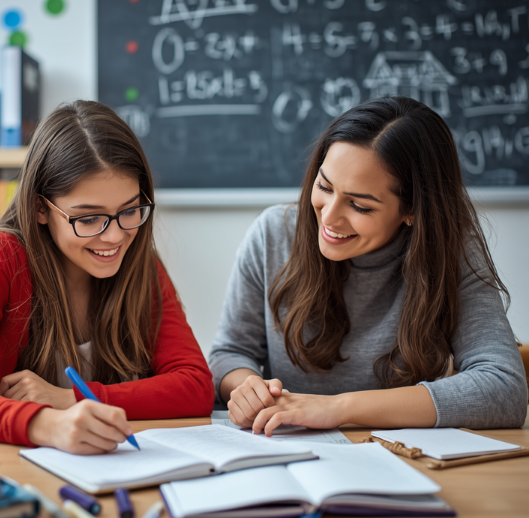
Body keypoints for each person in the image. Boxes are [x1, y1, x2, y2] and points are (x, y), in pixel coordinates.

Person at [209, 97, 527, 435]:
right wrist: (247, 388)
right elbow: (230, 353)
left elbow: (504, 388)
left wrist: (338, 408)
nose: (328, 217)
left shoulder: (450, 251)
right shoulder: (272, 234)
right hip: (285, 448)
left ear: (413, 211)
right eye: (324, 186)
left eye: (360, 205)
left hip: (399, 459)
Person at [0, 101, 213, 453]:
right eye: (89, 218)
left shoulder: (142, 264)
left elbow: (196, 387)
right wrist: (47, 425)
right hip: (16, 463)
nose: (115, 237)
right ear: (40, 209)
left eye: (130, 210)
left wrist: (68, 398)